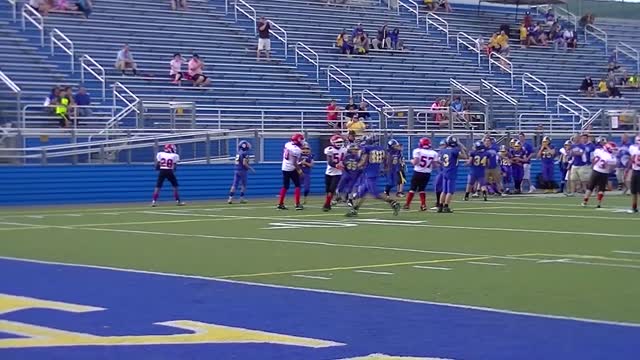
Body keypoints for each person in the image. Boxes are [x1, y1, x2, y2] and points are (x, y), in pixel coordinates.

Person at [346, 136, 400, 217]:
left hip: (369, 173)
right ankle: (354, 210)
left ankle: (393, 203)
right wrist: (385, 167)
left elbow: (364, 160)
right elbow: (388, 157)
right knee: (361, 193)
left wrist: (356, 166)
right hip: (374, 171)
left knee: (375, 194)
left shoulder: (367, 149)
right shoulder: (381, 148)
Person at [404, 137, 438, 211]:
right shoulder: (434, 153)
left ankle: (407, 204)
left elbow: (415, 162)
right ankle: (423, 205)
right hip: (427, 173)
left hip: (418, 172)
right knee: (422, 189)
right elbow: (435, 165)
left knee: (412, 189)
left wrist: (411, 161)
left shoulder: (418, 151)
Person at [582, 142, 616, 208]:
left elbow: (593, 159)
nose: (613, 150)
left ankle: (585, 201)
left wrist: (593, 165)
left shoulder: (598, 151)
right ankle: (599, 203)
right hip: (604, 173)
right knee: (601, 188)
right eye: (612, 149)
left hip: (596, 171)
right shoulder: (611, 157)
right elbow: (612, 167)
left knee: (590, 187)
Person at [438, 136, 467, 213]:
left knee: (444, 190)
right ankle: (446, 206)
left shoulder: (442, 151)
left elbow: (440, 160)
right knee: (450, 191)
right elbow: (465, 156)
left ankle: (440, 206)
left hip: (444, 171)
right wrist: (461, 147)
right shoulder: (455, 151)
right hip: (451, 172)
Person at [277, 133, 305, 210]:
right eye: (301, 139)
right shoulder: (297, 150)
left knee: (285, 186)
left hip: (284, 167)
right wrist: (300, 171)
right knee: (297, 185)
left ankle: (280, 203)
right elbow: (294, 162)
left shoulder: (288, 144)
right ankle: (297, 204)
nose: (302, 141)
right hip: (292, 168)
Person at [322, 135, 347, 212]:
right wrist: (337, 165)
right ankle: (329, 202)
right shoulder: (330, 149)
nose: (339, 143)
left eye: (340, 142)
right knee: (328, 190)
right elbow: (329, 162)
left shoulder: (344, 149)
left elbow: (346, 160)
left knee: (331, 189)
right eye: (337, 142)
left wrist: (345, 165)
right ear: (333, 142)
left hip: (337, 173)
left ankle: (327, 204)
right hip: (329, 172)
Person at [228, 140, 253, 204]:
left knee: (234, 185)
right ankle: (241, 199)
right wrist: (250, 168)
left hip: (236, 169)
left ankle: (230, 198)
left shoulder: (238, 152)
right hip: (242, 170)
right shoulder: (245, 153)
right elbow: (244, 163)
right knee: (243, 185)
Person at [628, 135, 640, 213]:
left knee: (635, 191)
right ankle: (634, 207)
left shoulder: (633, 148)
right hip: (635, 171)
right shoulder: (633, 148)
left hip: (636, 171)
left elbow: (632, 159)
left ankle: (634, 207)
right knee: (635, 191)